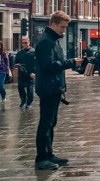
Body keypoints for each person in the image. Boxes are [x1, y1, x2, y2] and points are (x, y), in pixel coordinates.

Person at [34, 11, 82, 171]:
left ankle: (49, 154)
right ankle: (41, 158)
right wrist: (71, 63)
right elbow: (50, 66)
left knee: (51, 123)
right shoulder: (46, 42)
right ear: (53, 24)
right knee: (45, 123)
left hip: (54, 87)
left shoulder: (53, 40)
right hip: (47, 88)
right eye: (62, 27)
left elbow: (56, 64)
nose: (64, 30)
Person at [14, 36, 36, 109]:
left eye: (26, 42)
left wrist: (34, 72)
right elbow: (16, 62)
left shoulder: (33, 52)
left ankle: (29, 102)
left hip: (30, 74)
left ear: (29, 42)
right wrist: (17, 65)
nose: (25, 44)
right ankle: (23, 100)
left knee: (30, 89)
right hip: (22, 73)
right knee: (20, 87)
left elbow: (37, 63)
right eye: (23, 43)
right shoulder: (20, 53)